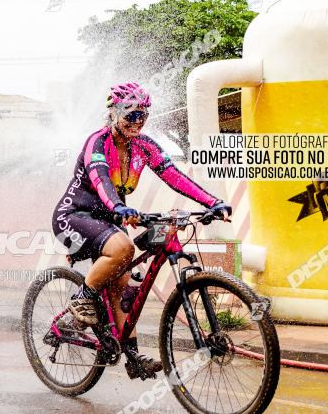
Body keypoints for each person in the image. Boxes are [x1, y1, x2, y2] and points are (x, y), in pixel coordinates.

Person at [51, 82, 231, 378]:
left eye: (143, 115)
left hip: (109, 220)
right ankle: (81, 299)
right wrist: (119, 208)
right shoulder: (97, 142)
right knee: (124, 248)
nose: (138, 122)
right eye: (131, 115)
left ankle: (132, 357)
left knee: (122, 286)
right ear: (113, 114)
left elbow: (174, 176)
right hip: (73, 216)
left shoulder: (144, 145)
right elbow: (100, 181)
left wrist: (213, 202)